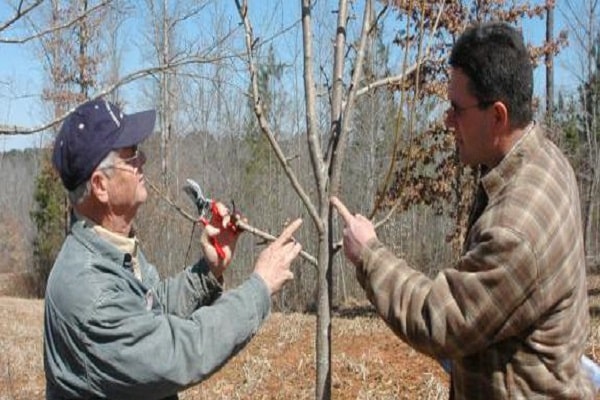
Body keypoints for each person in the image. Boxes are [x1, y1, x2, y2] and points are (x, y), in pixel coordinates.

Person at [331, 22, 595, 398]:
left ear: (498, 116)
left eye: (457, 109)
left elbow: (439, 319)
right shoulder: (546, 161)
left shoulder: (514, 230)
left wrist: (369, 256)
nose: (447, 121)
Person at [44, 97, 303, 400]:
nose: (143, 161)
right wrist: (259, 288)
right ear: (100, 185)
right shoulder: (90, 293)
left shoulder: (112, 247)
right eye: (131, 155)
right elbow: (179, 353)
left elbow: (152, 311)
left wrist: (208, 272)